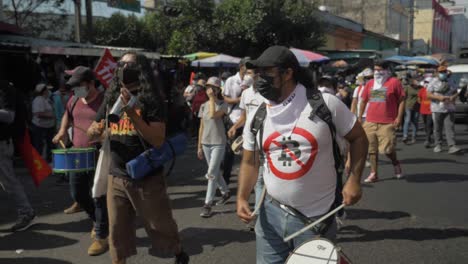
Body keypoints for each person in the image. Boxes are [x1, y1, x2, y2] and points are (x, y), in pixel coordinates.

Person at [236, 46, 368, 264]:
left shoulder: (325, 104)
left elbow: (359, 137)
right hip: (270, 214)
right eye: (257, 73)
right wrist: (241, 197)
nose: (259, 79)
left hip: (315, 218)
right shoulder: (257, 116)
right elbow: (250, 162)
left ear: (288, 73)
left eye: (266, 72)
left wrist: (354, 180)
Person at [87, 52, 189, 264]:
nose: (124, 68)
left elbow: (158, 139)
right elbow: (91, 131)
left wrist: (132, 113)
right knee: (117, 233)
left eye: (130, 65)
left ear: (141, 70)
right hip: (117, 175)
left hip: (146, 175)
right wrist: (94, 131)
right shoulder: (110, 97)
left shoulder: (151, 100)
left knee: (159, 225)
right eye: (121, 64)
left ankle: (178, 251)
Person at [52, 66, 109, 256]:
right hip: (77, 155)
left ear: (91, 83)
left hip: (99, 155)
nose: (75, 90)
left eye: (79, 86)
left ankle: (102, 235)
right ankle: (96, 219)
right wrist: (62, 132)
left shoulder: (104, 101)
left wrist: (104, 135)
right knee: (77, 193)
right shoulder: (74, 99)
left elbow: (115, 124)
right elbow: (67, 117)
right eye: (73, 87)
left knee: (98, 196)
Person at [359, 60, 405, 183]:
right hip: (370, 121)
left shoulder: (394, 82)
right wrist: (359, 116)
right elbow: (363, 100)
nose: (377, 72)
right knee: (371, 150)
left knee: (387, 149)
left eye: (380, 70)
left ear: (386, 70)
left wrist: (399, 117)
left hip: (388, 122)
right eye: (375, 70)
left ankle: (395, 163)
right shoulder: (370, 84)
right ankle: (374, 173)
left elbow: (401, 100)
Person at [0, 80, 37, 232]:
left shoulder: (5, 89)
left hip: (2, 143)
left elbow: (9, 116)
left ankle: (26, 212)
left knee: (8, 181)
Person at [197, 77, 231, 218]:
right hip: (206, 142)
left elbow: (213, 115)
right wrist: (198, 145)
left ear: (218, 90)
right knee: (215, 171)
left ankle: (208, 204)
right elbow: (202, 126)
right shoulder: (203, 105)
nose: (209, 90)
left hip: (219, 142)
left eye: (213, 88)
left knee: (211, 172)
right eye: (208, 87)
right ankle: (226, 192)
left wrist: (212, 98)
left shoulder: (223, 105)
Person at [222, 57, 250, 185]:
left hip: (248, 120)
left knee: (247, 151)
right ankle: (225, 180)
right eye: (247, 66)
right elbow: (226, 99)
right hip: (233, 118)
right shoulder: (231, 80)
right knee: (230, 151)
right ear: (241, 67)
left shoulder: (252, 80)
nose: (249, 69)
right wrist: (240, 99)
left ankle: (246, 181)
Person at [426, 66, 462, 154]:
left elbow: (456, 92)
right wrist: (439, 97)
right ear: (437, 72)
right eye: (441, 72)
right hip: (437, 108)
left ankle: (452, 146)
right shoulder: (433, 81)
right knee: (437, 128)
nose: (443, 73)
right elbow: (428, 95)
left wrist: (453, 97)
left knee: (450, 127)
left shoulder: (451, 81)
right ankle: (438, 144)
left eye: (444, 71)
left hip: (449, 108)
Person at [31, 83, 55, 162]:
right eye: (47, 89)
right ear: (43, 91)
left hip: (48, 126)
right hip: (40, 127)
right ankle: (39, 163)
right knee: (39, 145)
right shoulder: (38, 99)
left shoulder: (46, 99)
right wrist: (51, 116)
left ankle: (48, 161)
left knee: (49, 145)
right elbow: (38, 113)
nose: (48, 91)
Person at [402, 79, 421, 144]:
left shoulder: (420, 88)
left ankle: (414, 137)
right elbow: (403, 97)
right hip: (408, 106)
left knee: (415, 122)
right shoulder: (407, 88)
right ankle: (405, 136)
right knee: (407, 121)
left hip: (417, 107)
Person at [418, 77, 434, 148]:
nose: (426, 83)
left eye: (428, 82)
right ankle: (429, 134)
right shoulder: (422, 90)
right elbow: (419, 99)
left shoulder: (433, 91)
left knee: (429, 124)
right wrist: (423, 103)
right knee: (425, 125)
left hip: (431, 110)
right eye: (425, 82)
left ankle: (427, 139)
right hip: (423, 110)